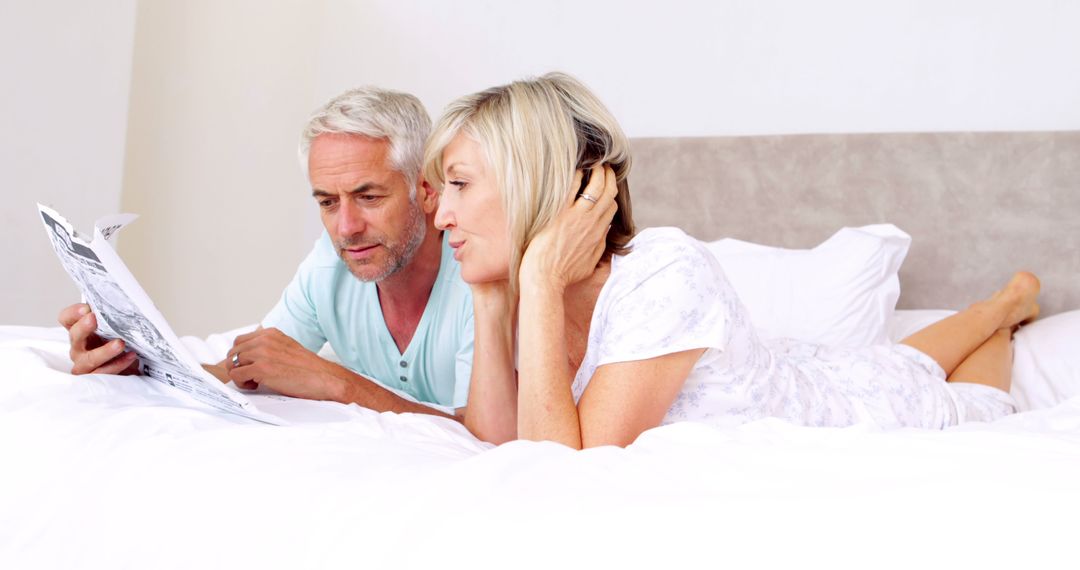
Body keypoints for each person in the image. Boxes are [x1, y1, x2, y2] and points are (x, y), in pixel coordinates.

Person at [424, 72, 1038, 449]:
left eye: (460, 184)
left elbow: (559, 467)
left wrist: (536, 276)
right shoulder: (540, 298)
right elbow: (501, 438)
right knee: (896, 358)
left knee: (960, 398)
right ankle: (998, 305)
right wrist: (491, 294)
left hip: (860, 414)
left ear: (538, 182)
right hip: (819, 368)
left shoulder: (666, 270)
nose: (440, 216)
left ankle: (1006, 309)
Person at [58, 87, 508, 441]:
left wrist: (338, 383)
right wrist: (133, 362)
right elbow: (250, 367)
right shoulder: (328, 267)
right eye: (328, 202)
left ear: (426, 190)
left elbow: (486, 435)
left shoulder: (478, 271)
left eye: (368, 197)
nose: (346, 227)